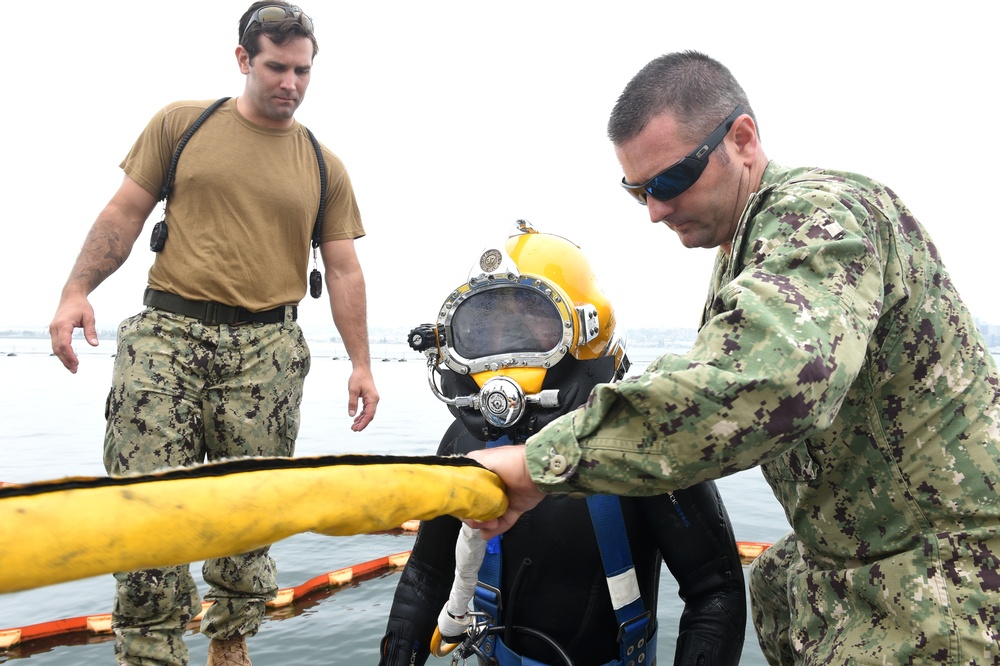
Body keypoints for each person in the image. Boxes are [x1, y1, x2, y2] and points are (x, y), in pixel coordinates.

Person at [465, 52, 1000, 665]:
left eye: (668, 182)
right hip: (860, 574)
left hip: (950, 587)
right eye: (637, 191)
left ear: (742, 139)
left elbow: (761, 383)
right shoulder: (748, 249)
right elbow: (704, 371)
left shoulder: (819, 216)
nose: (654, 211)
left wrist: (541, 463)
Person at [47, 3, 379, 665]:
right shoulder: (182, 124)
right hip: (168, 332)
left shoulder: (322, 163)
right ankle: (150, 652)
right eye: (277, 67)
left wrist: (362, 364)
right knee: (146, 502)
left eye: (303, 71)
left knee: (250, 509)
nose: (291, 82)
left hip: (267, 350)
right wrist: (75, 291)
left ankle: (229, 644)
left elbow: (342, 268)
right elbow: (124, 214)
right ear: (242, 60)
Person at [379, 221, 746, 666]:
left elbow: (714, 591)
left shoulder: (640, 443)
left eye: (531, 326)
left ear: (584, 331)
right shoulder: (464, 443)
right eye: (489, 329)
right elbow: (426, 574)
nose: (506, 349)